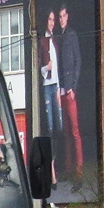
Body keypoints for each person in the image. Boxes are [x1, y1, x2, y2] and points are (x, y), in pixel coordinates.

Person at [56, 3, 84, 179]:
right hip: (61, 90)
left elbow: (77, 62)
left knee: (75, 132)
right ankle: (67, 168)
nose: (61, 20)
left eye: (63, 16)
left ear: (68, 16)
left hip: (70, 91)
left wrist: (73, 87)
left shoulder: (71, 35)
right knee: (65, 132)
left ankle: (79, 170)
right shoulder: (58, 36)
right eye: (59, 17)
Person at [38, 9, 63, 138]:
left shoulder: (55, 41)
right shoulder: (42, 41)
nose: (52, 22)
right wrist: (47, 68)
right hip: (47, 85)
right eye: (50, 19)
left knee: (60, 122)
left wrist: (59, 87)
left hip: (56, 86)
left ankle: (58, 153)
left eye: (53, 20)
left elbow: (58, 67)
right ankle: (51, 154)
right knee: (50, 124)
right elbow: (39, 67)